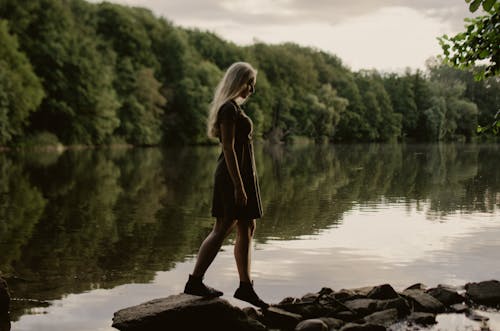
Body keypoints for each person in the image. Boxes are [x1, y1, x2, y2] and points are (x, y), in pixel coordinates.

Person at [184, 62, 268, 309]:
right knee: (222, 227)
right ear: (238, 81)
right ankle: (195, 282)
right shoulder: (228, 109)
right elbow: (228, 148)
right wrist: (239, 186)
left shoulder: (234, 109)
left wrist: (245, 182)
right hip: (232, 177)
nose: (252, 89)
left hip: (241, 175)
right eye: (249, 82)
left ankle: (245, 287)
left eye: (253, 84)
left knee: (247, 226)